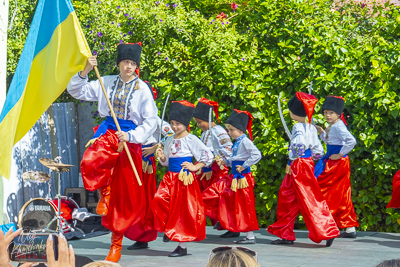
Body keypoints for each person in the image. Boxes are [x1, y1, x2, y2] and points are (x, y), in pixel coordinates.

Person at [67, 43, 158, 262]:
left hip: (129, 138)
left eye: (133, 63)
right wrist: (86, 70)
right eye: (126, 62)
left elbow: (152, 121)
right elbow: (77, 91)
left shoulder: (142, 89)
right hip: (107, 131)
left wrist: (133, 136)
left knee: (124, 195)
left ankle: (116, 243)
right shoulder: (105, 81)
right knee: (91, 160)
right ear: (119, 63)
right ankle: (103, 194)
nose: (129, 66)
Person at [267, 92, 340, 246]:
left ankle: (325, 230)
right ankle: (290, 233)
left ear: (294, 112)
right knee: (299, 197)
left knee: (294, 197)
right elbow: (318, 150)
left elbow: (298, 145)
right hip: (307, 163)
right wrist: (309, 158)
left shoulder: (298, 127)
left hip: (298, 164)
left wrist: (292, 159)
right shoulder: (311, 127)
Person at [152, 100, 214, 257]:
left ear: (185, 124)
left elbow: (208, 155)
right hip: (169, 178)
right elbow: (166, 162)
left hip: (184, 179)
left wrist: (196, 166)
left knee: (182, 211)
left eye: (178, 124)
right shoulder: (170, 139)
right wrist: (161, 157)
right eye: (172, 123)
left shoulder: (191, 139)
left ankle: (182, 245)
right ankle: (168, 228)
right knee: (160, 199)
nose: (174, 127)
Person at [124, 80, 173, 250]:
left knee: (146, 198)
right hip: (131, 161)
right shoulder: (129, 118)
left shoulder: (156, 121)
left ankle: (145, 234)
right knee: (132, 198)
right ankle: (136, 233)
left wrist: (157, 147)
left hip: (146, 163)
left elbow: (172, 134)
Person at [314, 96, 358, 238]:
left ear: (338, 114)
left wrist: (339, 154)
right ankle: (348, 227)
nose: (327, 115)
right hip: (333, 161)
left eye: (331, 113)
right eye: (326, 112)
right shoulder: (333, 125)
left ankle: (329, 224)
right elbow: (331, 141)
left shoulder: (338, 126)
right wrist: (322, 133)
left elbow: (351, 141)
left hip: (337, 163)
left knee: (330, 192)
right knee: (341, 192)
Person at [215, 109, 262, 243]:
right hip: (236, 177)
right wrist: (225, 162)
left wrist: (244, 165)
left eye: (231, 130)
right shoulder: (238, 142)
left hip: (243, 179)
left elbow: (257, 154)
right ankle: (238, 228)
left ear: (241, 130)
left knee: (245, 205)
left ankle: (250, 235)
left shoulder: (245, 141)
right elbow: (235, 158)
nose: (229, 133)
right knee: (237, 204)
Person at [192, 98, 232, 192]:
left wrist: (215, 157)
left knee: (212, 192)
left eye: (199, 122)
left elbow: (227, 147)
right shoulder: (204, 133)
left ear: (207, 120)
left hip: (216, 169)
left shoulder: (218, 131)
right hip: (204, 167)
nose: (198, 125)